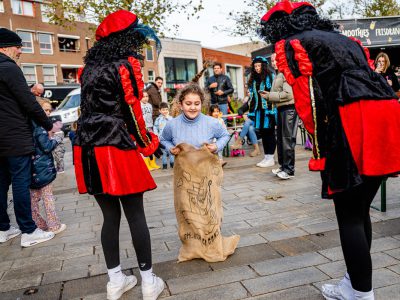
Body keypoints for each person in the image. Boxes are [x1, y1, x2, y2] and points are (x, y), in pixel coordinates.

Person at [259, 1, 400, 300]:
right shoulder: (347, 40)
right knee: (360, 210)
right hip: (385, 113)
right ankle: (355, 283)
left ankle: (361, 293)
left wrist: (320, 148)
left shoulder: (293, 43)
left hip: (351, 118)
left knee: (348, 212)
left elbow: (307, 101)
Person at [73, 10, 164, 300]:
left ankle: (115, 281)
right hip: (116, 144)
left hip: (88, 145)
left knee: (109, 217)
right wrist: (148, 142)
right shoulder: (127, 65)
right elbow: (134, 111)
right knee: (135, 214)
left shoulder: (87, 69)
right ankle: (148, 282)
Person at [0, 28, 61, 247]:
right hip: (15, 137)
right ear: (5, 47)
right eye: (18, 46)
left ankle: (3, 228)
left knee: (1, 182)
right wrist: (49, 125)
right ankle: (28, 230)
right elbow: (27, 102)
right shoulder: (9, 68)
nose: (20, 50)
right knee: (20, 182)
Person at [160, 83, 230, 158]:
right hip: (182, 168)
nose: (193, 107)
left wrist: (217, 146)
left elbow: (225, 135)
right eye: (188, 104)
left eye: (197, 104)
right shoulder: (172, 125)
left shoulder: (212, 122)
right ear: (181, 105)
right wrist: (170, 148)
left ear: (201, 104)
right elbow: (164, 140)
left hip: (206, 168)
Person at [31, 99, 66, 234]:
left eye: (49, 110)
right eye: (45, 110)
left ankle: (39, 224)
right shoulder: (40, 127)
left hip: (32, 167)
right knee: (47, 197)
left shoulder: (30, 124)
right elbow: (46, 147)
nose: (48, 113)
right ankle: (54, 225)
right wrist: (56, 139)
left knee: (33, 200)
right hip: (43, 168)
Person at [263, 53, 298, 180]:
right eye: (272, 60)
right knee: (281, 140)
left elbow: (288, 94)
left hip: (289, 109)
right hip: (282, 108)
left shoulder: (285, 73)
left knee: (287, 139)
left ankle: (289, 170)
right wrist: (269, 95)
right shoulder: (279, 74)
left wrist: (269, 96)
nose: (273, 62)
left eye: (276, 59)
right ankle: (283, 167)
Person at [238, 56, 277, 168]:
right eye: (255, 66)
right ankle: (266, 156)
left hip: (269, 111)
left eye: (259, 66)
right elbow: (252, 97)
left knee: (269, 133)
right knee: (263, 134)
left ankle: (271, 157)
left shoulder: (271, 76)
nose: (257, 68)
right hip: (258, 111)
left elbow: (274, 94)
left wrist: (272, 109)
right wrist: (245, 108)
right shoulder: (253, 79)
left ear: (263, 66)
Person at [141, 91, 160, 171]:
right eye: (143, 96)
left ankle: (152, 162)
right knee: (145, 146)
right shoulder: (138, 105)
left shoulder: (149, 105)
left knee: (152, 145)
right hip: (142, 128)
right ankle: (146, 164)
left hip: (150, 127)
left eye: (147, 96)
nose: (145, 98)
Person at [153, 102, 174, 169]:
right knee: (164, 152)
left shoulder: (171, 118)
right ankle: (164, 165)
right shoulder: (158, 119)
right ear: (160, 110)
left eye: (166, 109)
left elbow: (173, 126)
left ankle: (172, 164)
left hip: (170, 138)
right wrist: (156, 135)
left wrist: (167, 117)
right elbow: (155, 127)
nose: (165, 111)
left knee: (171, 151)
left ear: (168, 110)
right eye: (163, 110)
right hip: (161, 138)